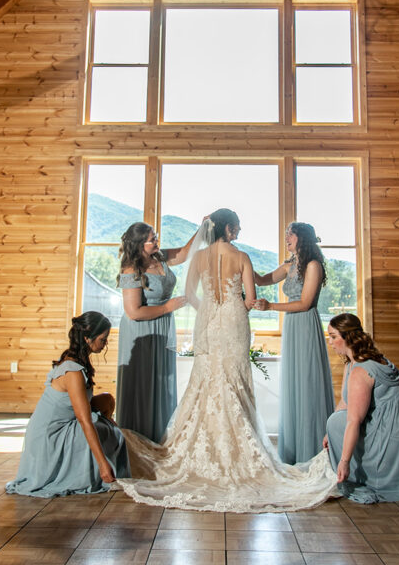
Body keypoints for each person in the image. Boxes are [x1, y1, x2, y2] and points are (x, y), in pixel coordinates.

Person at [117, 209, 336, 512]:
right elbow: (250, 297)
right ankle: (238, 452)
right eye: (238, 227)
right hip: (234, 323)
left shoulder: (199, 257)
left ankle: (196, 450)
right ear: (230, 229)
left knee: (204, 380)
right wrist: (244, 305)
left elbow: (190, 295)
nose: (239, 232)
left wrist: (209, 308)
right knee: (235, 380)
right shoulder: (243, 256)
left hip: (208, 320)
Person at [6, 311, 130, 498]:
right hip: (50, 436)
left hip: (65, 422)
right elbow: (84, 420)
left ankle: (107, 443)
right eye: (103, 339)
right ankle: (99, 468)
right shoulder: (73, 371)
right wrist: (102, 463)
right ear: (88, 339)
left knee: (107, 399)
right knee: (101, 429)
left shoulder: (78, 362)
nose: (105, 345)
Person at [324, 313, 399, 503]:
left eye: (334, 336)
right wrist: (329, 433)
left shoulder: (361, 370)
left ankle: (359, 474)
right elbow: (346, 402)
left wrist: (344, 461)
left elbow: (354, 420)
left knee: (339, 423)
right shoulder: (356, 363)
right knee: (334, 422)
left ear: (348, 337)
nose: (330, 342)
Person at [252, 222, 334, 464]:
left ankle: (312, 450)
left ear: (303, 238)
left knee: (307, 382)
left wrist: (270, 307)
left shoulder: (313, 265)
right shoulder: (289, 265)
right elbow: (264, 280)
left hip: (306, 324)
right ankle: (294, 451)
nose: (286, 236)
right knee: (294, 382)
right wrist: (242, 262)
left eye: (291, 233)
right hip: (291, 326)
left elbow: (305, 303)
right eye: (286, 233)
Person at [116, 220, 203, 442]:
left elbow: (184, 253)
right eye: (152, 239)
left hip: (163, 327)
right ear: (138, 245)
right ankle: (138, 441)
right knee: (143, 384)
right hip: (141, 331)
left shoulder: (160, 257)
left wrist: (202, 228)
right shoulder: (131, 269)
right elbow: (133, 311)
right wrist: (167, 307)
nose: (157, 241)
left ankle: (159, 438)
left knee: (161, 382)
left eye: (155, 236)